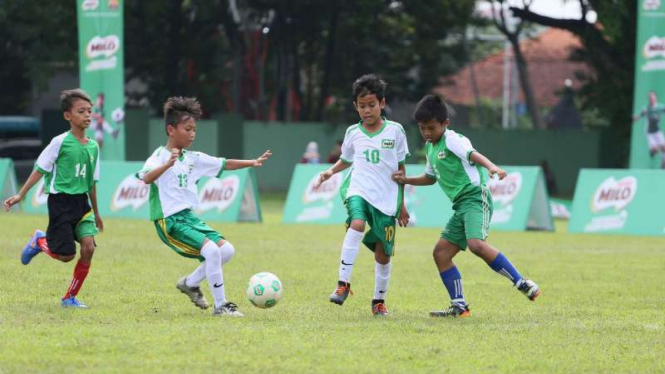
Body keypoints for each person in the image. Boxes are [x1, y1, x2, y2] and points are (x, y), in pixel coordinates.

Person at [392, 94, 540, 318]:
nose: (427, 133)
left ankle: (522, 282)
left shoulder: (452, 139)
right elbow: (431, 178)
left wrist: (492, 167)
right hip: (460, 205)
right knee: (441, 253)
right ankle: (459, 306)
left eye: (431, 128)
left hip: (474, 197)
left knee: (476, 245)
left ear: (445, 124)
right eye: (422, 128)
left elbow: (472, 154)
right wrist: (407, 180)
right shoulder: (431, 148)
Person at [135, 96, 271, 317]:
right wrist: (167, 164)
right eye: (187, 129)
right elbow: (147, 178)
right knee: (211, 251)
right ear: (171, 129)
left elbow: (224, 163)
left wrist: (252, 162)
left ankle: (189, 283)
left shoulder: (193, 159)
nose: (192, 134)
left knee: (226, 250)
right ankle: (221, 306)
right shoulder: (158, 157)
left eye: (194, 129)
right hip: (168, 220)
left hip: (188, 217)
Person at [315, 74, 410, 316]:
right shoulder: (352, 133)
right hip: (358, 190)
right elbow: (345, 161)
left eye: (371, 105)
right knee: (356, 224)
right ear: (355, 107)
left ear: (382, 103)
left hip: (386, 200)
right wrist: (329, 172)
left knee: (383, 252)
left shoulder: (396, 131)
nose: (367, 110)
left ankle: (378, 301)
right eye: (362, 106)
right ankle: (343, 284)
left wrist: (402, 203)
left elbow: (401, 169)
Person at [4, 88, 103, 309]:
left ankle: (69, 298)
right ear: (68, 116)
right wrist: (21, 194)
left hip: (82, 205)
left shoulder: (94, 147)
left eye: (89, 111)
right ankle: (40, 240)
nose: (87, 115)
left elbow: (92, 183)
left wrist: (96, 213)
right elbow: (40, 168)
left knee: (88, 248)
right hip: (61, 204)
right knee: (66, 255)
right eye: (81, 111)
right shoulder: (59, 142)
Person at [633, 90, 665, 168]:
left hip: (657, 131)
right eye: (650, 97)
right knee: (655, 150)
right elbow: (641, 114)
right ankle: (653, 151)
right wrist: (636, 118)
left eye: (653, 97)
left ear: (656, 98)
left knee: (664, 147)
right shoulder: (647, 109)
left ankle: (663, 162)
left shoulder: (660, 107)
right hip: (650, 132)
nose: (651, 99)